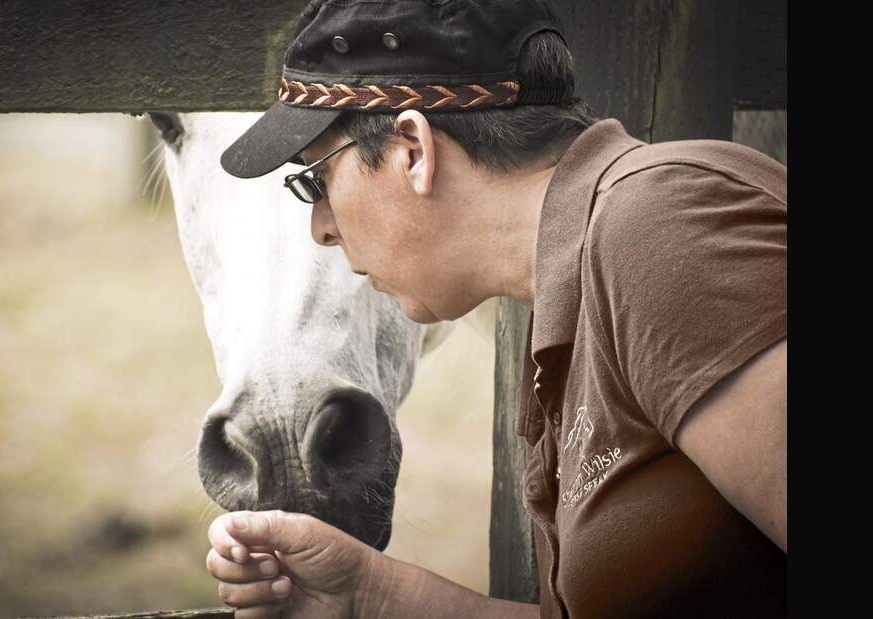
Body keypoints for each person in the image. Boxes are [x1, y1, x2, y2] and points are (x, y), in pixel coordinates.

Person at [205, 0, 786, 616]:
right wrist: (372, 597)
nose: (320, 229)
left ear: (413, 150)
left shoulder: (661, 234)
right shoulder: (579, 288)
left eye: (316, 182)